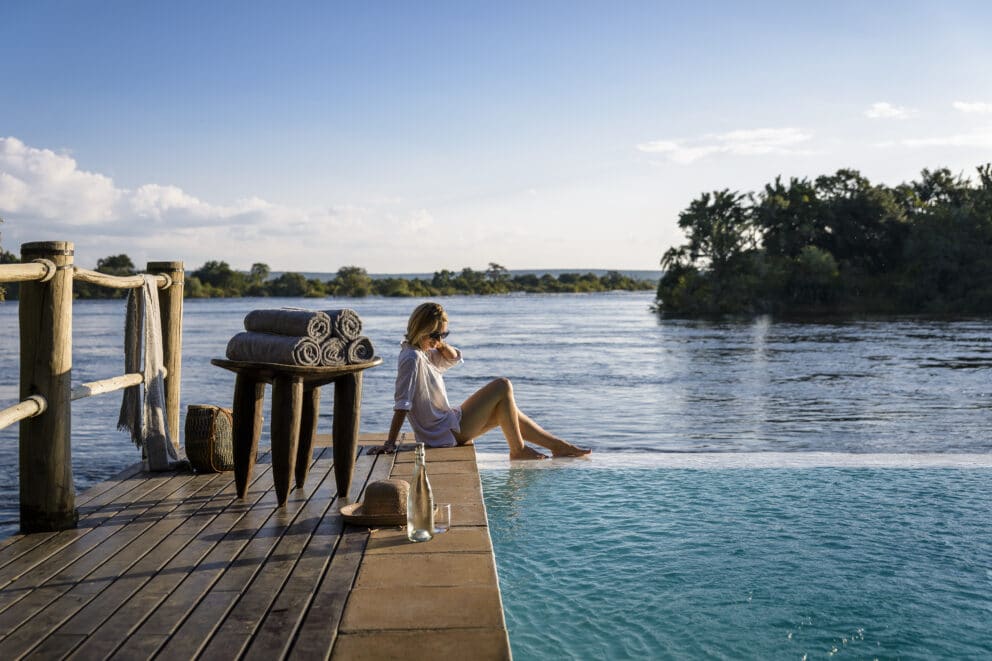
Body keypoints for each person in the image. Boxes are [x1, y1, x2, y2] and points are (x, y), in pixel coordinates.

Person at [375, 302, 591, 459]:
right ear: (421, 330)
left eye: (443, 334)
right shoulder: (412, 358)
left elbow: (454, 358)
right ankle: (518, 450)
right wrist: (390, 443)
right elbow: (402, 403)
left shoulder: (423, 353)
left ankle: (558, 445)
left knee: (506, 410)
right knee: (502, 385)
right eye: (435, 335)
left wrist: (439, 343)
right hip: (441, 433)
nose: (439, 340)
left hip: (447, 424)